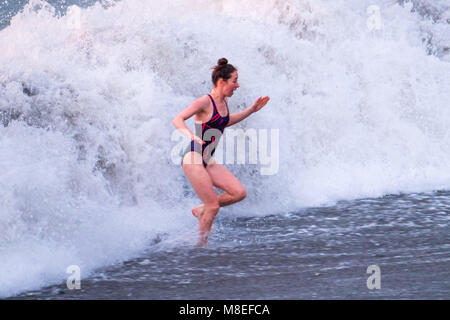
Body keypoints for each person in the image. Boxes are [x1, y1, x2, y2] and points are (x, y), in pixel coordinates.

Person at [172, 58, 270, 246]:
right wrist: (191, 135)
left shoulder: (223, 103)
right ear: (221, 81)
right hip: (193, 158)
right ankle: (201, 249)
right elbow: (178, 119)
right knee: (213, 206)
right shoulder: (204, 102)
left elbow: (225, 121)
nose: (237, 85)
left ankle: (201, 210)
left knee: (239, 193)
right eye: (234, 80)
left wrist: (252, 110)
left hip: (207, 159)